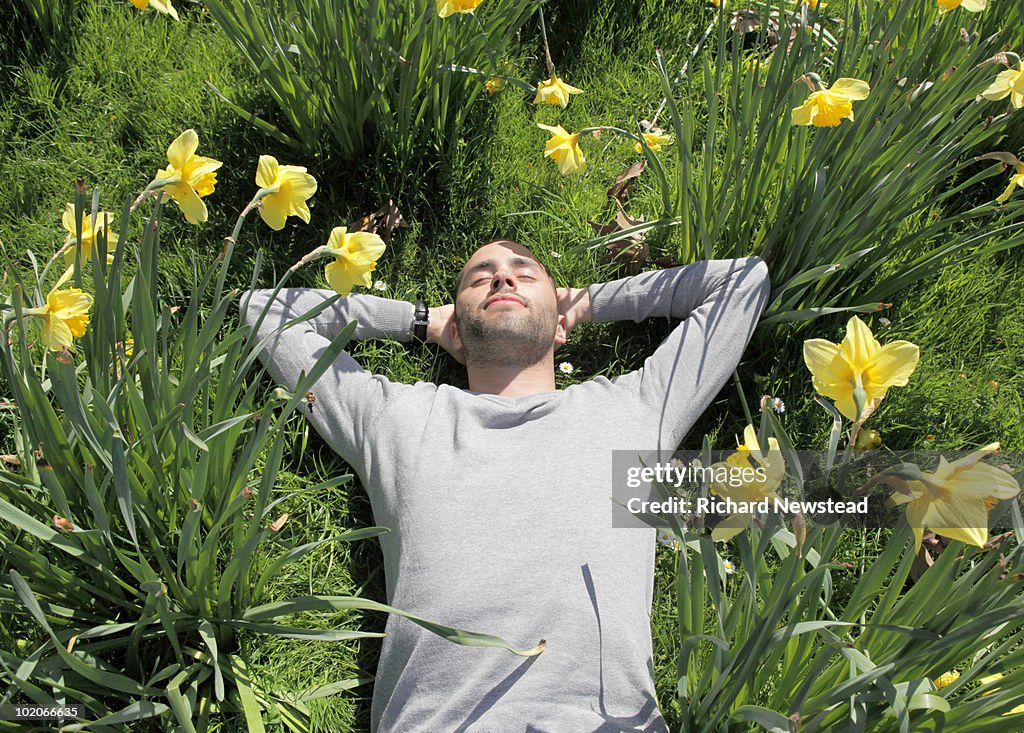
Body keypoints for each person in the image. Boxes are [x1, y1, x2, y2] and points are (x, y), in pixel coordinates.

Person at [240, 240, 770, 732]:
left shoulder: (634, 408)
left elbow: (743, 282)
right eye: (480, 278)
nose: (502, 281)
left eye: (524, 274)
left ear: (559, 327)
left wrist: (586, 302)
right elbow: (269, 313)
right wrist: (419, 320)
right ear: (459, 334)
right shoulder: (396, 416)